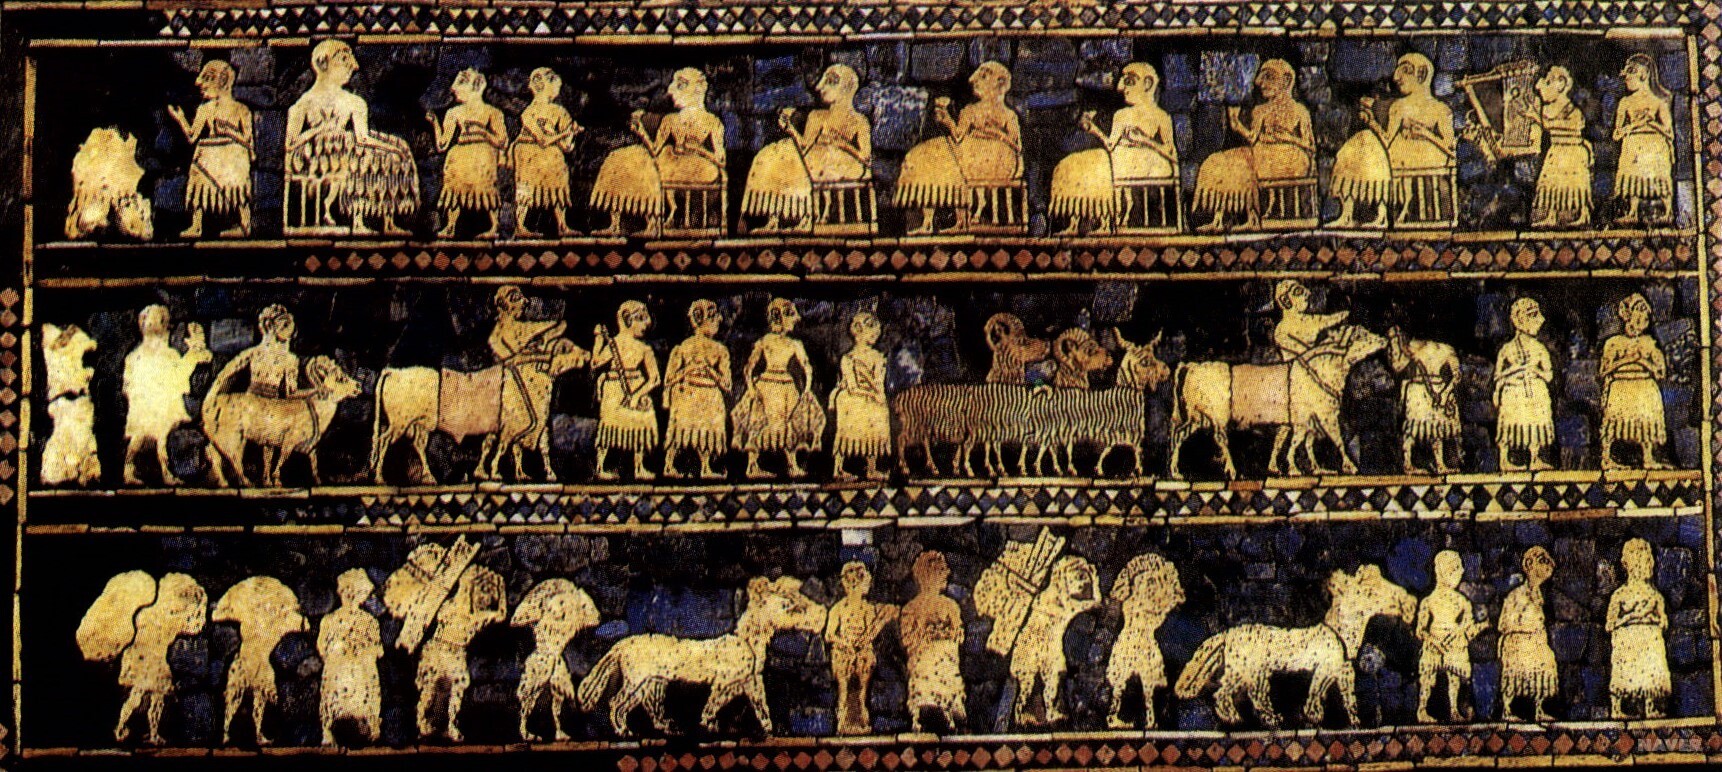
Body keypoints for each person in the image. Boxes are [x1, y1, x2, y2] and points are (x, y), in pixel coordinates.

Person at [284, 40, 416, 235]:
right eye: (344, 60)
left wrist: (394, 149)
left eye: (351, 60)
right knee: (363, 156)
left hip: (348, 149)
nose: (353, 66)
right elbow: (290, 144)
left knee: (395, 151)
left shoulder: (354, 102)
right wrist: (319, 130)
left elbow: (363, 138)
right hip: (316, 155)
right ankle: (357, 220)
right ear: (323, 63)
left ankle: (387, 221)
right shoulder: (304, 103)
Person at [591, 68, 726, 237]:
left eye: (679, 86)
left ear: (694, 90)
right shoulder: (670, 120)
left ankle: (652, 222)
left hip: (700, 169)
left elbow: (721, 160)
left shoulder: (712, 122)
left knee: (646, 167)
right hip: (670, 161)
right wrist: (641, 133)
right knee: (622, 158)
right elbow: (655, 151)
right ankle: (616, 223)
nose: (671, 92)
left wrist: (698, 150)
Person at [1048, 62, 1178, 235]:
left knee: (1098, 167)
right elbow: (1110, 145)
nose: (1121, 88)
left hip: (1144, 162)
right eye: (1123, 82)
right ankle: (1075, 220)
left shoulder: (1160, 116)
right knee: (1075, 164)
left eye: (1129, 82)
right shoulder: (1121, 115)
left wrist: (1144, 140)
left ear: (1147, 84)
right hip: (1118, 157)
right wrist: (1093, 129)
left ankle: (1104, 221)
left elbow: (1171, 152)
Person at [1329, 53, 1456, 227]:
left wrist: (1426, 134)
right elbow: (1387, 140)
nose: (1397, 78)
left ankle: (1379, 215)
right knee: (1360, 143)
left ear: (1421, 74)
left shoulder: (1440, 109)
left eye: (1405, 72)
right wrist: (1372, 123)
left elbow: (1450, 148)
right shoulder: (1399, 106)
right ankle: (1349, 213)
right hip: (1398, 154)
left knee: (1368, 146)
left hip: (1428, 158)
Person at [895, 61, 1021, 235]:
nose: (976, 82)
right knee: (925, 157)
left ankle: (957, 220)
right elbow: (959, 136)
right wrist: (947, 120)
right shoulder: (971, 111)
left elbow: (1016, 146)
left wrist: (991, 133)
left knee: (950, 164)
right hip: (969, 154)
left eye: (983, 78)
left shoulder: (1008, 115)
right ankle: (930, 221)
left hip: (996, 162)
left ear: (998, 84)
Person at [742, 64, 872, 233]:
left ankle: (805, 217)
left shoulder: (859, 121)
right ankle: (775, 218)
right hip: (814, 159)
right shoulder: (817, 116)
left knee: (795, 160)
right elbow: (805, 146)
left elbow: (866, 157)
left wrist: (840, 144)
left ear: (843, 88)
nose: (820, 88)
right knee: (777, 154)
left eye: (829, 83)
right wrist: (790, 129)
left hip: (843, 164)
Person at [1192, 59, 1313, 232]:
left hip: (1290, 158)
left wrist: (1288, 138)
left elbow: (1310, 146)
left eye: (1269, 77)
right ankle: (1219, 218)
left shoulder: (1299, 110)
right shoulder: (1260, 110)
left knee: (1245, 165)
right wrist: (1236, 124)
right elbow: (1253, 138)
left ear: (1286, 81)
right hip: (1261, 153)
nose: (1261, 83)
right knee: (1220, 161)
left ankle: (1253, 216)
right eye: (1261, 78)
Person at [732, 298, 824, 478]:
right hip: (767, 386)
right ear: (781, 317)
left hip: (786, 388)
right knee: (759, 422)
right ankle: (752, 465)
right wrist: (750, 388)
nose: (795, 321)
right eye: (792, 316)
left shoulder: (794, 344)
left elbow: (807, 367)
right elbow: (749, 368)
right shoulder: (765, 341)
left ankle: (792, 464)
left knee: (788, 424)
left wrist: (807, 389)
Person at [122, 305, 211, 486]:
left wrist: (194, 355)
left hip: (161, 403)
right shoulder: (135, 357)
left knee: (161, 436)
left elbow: (178, 375)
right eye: (156, 320)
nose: (160, 324)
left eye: (162, 321)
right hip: (146, 403)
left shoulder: (168, 354)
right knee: (140, 437)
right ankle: (129, 469)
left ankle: (164, 470)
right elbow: (129, 383)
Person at [169, 59, 254, 238]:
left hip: (233, 156)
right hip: (209, 154)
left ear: (221, 82)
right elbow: (192, 136)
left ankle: (245, 224)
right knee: (198, 182)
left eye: (207, 80)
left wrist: (230, 132)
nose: (201, 86)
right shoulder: (205, 109)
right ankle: (197, 225)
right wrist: (181, 118)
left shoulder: (241, 109)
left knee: (237, 190)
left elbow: (249, 142)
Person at [427, 68, 507, 239]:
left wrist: (483, 132)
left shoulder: (492, 112)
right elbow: (442, 145)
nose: (454, 89)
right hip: (459, 155)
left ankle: (494, 226)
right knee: (454, 189)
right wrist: (435, 124)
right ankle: (450, 225)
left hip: (483, 155)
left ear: (474, 86)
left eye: (459, 84)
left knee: (486, 188)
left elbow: (502, 141)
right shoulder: (454, 112)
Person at [824, 561, 897, 735]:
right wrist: (845, 644)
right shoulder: (838, 608)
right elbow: (829, 635)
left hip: (862, 650)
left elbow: (870, 633)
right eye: (851, 584)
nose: (854, 588)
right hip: (843, 650)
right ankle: (843, 719)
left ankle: (861, 717)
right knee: (844, 682)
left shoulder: (867, 608)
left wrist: (862, 644)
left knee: (864, 668)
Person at [591, 301, 661, 480]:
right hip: (614, 388)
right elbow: (596, 362)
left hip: (637, 386)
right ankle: (600, 467)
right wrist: (599, 339)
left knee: (640, 426)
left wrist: (638, 395)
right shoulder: (613, 344)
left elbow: (655, 378)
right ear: (628, 320)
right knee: (608, 427)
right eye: (641, 319)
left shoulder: (645, 349)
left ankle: (639, 467)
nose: (645, 325)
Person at [1599, 293, 1670, 469]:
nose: (1643, 316)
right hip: (1621, 386)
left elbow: (1661, 372)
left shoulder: (1649, 342)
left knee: (1646, 422)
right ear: (1628, 315)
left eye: (1645, 312)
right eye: (1639, 310)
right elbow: (1604, 370)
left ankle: (1648, 458)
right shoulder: (1614, 343)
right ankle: (1606, 457)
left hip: (1644, 386)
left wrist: (1643, 362)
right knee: (1613, 423)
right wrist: (1628, 360)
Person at [662, 300, 732, 478]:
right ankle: (669, 465)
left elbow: (727, 384)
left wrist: (710, 371)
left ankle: (705, 467)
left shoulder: (720, 350)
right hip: (688, 394)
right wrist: (689, 369)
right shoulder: (684, 347)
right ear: (703, 319)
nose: (719, 321)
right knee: (680, 431)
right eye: (714, 318)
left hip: (710, 396)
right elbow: (669, 379)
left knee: (707, 433)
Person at [1415, 550, 1486, 723]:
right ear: (1442, 571)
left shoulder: (1462, 601)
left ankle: (1454, 709)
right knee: (1428, 678)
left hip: (1454, 643)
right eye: (1454, 569)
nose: (1459, 573)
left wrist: (1469, 629)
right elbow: (1420, 630)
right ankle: (1422, 710)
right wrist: (1433, 640)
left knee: (1454, 677)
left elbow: (1468, 626)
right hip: (1434, 641)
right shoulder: (1428, 601)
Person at [512, 68, 582, 238]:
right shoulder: (529, 112)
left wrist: (572, 134)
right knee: (526, 188)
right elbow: (542, 140)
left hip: (552, 154)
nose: (557, 91)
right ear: (543, 85)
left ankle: (562, 225)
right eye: (556, 86)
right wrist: (564, 133)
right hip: (529, 151)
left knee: (558, 185)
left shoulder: (560, 112)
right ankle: (520, 226)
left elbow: (566, 147)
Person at [900, 550, 965, 733]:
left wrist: (944, 634)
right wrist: (926, 635)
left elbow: (958, 634)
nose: (947, 574)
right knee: (925, 665)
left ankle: (949, 707)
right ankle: (924, 708)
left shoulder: (950, 606)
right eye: (942, 570)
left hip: (945, 657)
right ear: (929, 575)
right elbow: (908, 639)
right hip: (924, 659)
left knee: (945, 661)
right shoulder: (911, 608)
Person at [319, 569, 383, 746]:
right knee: (337, 703)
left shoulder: (368, 621)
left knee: (359, 703)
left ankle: (365, 732)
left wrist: (359, 652)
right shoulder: (330, 620)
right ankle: (332, 734)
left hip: (358, 673)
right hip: (340, 673)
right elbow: (322, 648)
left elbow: (377, 651)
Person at [1607, 538, 1670, 718]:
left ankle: (1650, 707)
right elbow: (1610, 624)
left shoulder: (1654, 595)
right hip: (1628, 642)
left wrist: (1653, 619)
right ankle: (1616, 708)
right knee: (1623, 672)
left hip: (1649, 641)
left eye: (1644, 561)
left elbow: (1663, 621)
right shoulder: (1620, 595)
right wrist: (1630, 618)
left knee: (1650, 670)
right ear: (1627, 565)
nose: (1641, 567)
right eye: (1637, 562)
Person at [1493, 298, 1556, 471]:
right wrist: (1513, 373)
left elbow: (1549, 375)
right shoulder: (1507, 349)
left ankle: (1534, 457)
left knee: (1535, 422)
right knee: (1509, 424)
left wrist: (1535, 371)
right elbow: (1498, 376)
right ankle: (1504, 459)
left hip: (1535, 390)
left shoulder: (1539, 348)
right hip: (1513, 391)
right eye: (1533, 316)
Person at [1613, 54, 1675, 226]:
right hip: (1633, 144)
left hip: (1655, 145)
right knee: (1633, 177)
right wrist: (1636, 125)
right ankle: (1632, 212)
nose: (1627, 80)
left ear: (1644, 75)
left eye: (1630, 75)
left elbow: (1669, 133)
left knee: (1659, 177)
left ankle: (1668, 212)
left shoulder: (1659, 102)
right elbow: (1616, 134)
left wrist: (1651, 123)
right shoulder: (1625, 102)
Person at [1498, 546, 1559, 722]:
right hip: (1518, 641)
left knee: (1546, 665)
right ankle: (1507, 709)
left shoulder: (1538, 594)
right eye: (1543, 563)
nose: (1547, 568)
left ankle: (1538, 708)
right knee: (1515, 673)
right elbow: (1504, 623)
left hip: (1536, 640)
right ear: (1531, 565)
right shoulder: (1516, 595)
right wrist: (1526, 628)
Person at [1528, 66, 1592, 228]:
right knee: (1551, 184)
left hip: (1572, 150)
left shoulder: (1572, 110)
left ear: (1561, 84)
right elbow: (1547, 125)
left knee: (1576, 185)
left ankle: (1583, 214)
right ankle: (1551, 215)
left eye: (1549, 82)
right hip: (1556, 150)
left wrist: (1536, 117)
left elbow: (1559, 125)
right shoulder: (1547, 109)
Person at [830, 312, 890, 481]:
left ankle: (871, 468)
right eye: (871, 332)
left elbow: (879, 383)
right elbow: (852, 386)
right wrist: (872, 394)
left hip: (870, 397)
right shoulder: (848, 358)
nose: (875, 336)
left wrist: (880, 398)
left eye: (876, 333)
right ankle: (838, 468)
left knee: (876, 421)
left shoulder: (878, 357)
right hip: (851, 397)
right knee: (846, 430)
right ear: (858, 331)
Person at [210, 304, 301, 400]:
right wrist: (212, 399)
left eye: (289, 325)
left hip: (272, 405)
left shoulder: (290, 359)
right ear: (269, 325)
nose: (288, 329)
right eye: (284, 325)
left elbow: (290, 393)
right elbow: (225, 376)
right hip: (249, 404)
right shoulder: (254, 353)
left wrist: (312, 392)